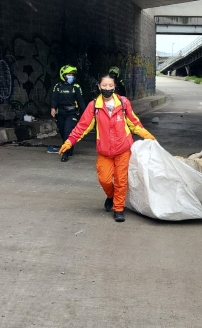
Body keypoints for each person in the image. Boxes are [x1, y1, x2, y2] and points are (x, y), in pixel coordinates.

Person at [59, 73, 155, 222]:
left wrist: (149, 136)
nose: (107, 88)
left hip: (123, 149)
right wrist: (69, 141)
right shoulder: (94, 106)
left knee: (121, 180)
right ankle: (111, 195)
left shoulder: (123, 103)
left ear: (114, 87)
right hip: (104, 152)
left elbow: (134, 124)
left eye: (110, 86)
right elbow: (82, 126)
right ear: (99, 86)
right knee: (104, 179)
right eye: (104, 85)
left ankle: (118, 209)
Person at [51, 65, 86, 163]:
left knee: (67, 131)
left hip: (72, 113)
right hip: (60, 113)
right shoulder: (58, 86)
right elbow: (54, 98)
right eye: (69, 74)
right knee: (62, 132)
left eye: (72, 75)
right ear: (63, 75)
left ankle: (65, 154)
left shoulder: (76, 87)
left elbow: (81, 101)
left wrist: (85, 114)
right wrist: (53, 108)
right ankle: (70, 146)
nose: (71, 76)